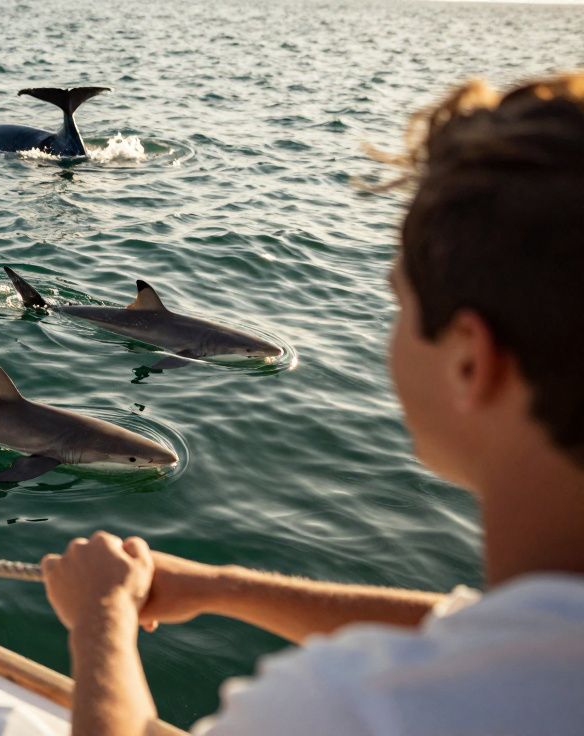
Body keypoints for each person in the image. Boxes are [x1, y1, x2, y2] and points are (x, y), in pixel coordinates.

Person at [41, 73, 584, 736]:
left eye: (398, 304)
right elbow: (478, 629)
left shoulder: (353, 707)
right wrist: (223, 587)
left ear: (470, 361)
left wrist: (98, 618)